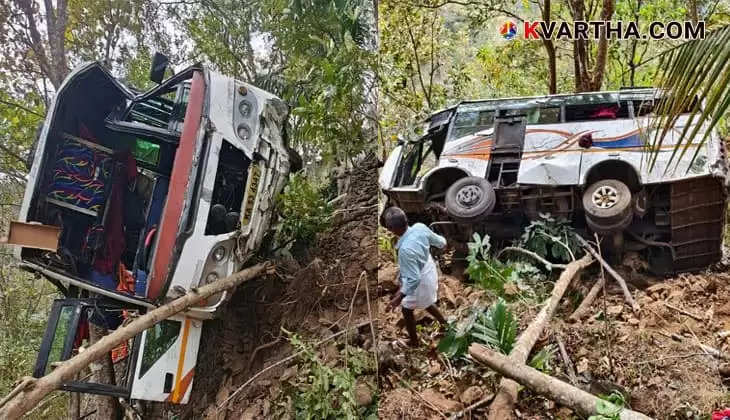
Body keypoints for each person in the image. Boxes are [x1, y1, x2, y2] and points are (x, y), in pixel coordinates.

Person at [382, 206, 448, 347]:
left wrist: (398, 298)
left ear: (392, 229)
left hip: (421, 280)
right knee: (426, 301)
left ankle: (414, 342)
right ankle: (445, 323)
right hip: (429, 268)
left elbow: (414, 279)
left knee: (407, 309)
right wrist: (442, 245)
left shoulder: (405, 250)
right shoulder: (420, 227)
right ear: (406, 219)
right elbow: (441, 242)